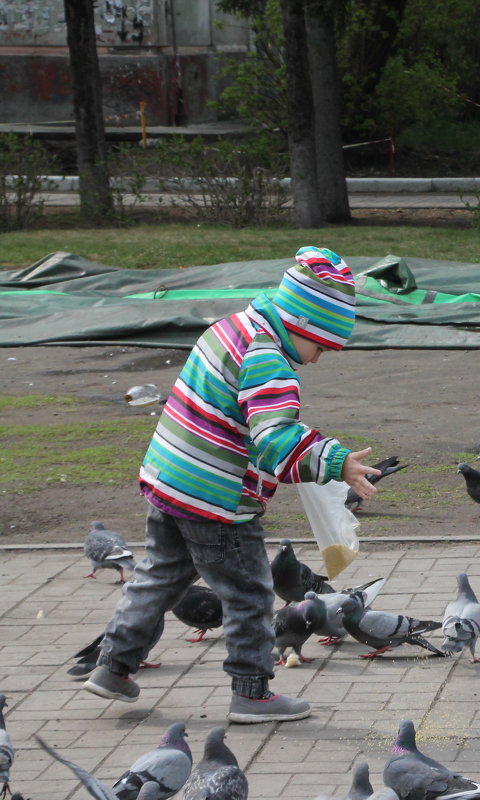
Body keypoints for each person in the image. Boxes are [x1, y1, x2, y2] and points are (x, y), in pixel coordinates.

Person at [83, 246, 381, 723]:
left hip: (170, 478)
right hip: (219, 499)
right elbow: (275, 439)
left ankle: (113, 667)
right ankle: (251, 691)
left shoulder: (232, 328)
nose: (320, 359)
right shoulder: (269, 361)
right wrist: (336, 462)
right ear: (302, 325)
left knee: (160, 575)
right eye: (322, 346)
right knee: (248, 594)